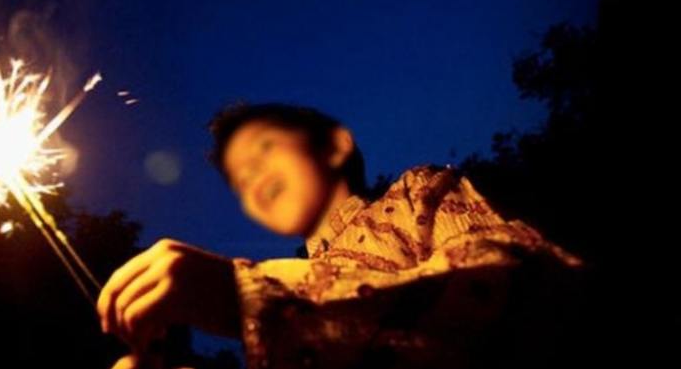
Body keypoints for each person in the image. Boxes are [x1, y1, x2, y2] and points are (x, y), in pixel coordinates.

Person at [97, 103, 584, 369]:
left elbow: (522, 283)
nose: (252, 177)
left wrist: (247, 296)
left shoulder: (418, 194)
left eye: (264, 148)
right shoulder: (290, 287)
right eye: (239, 178)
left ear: (335, 144)